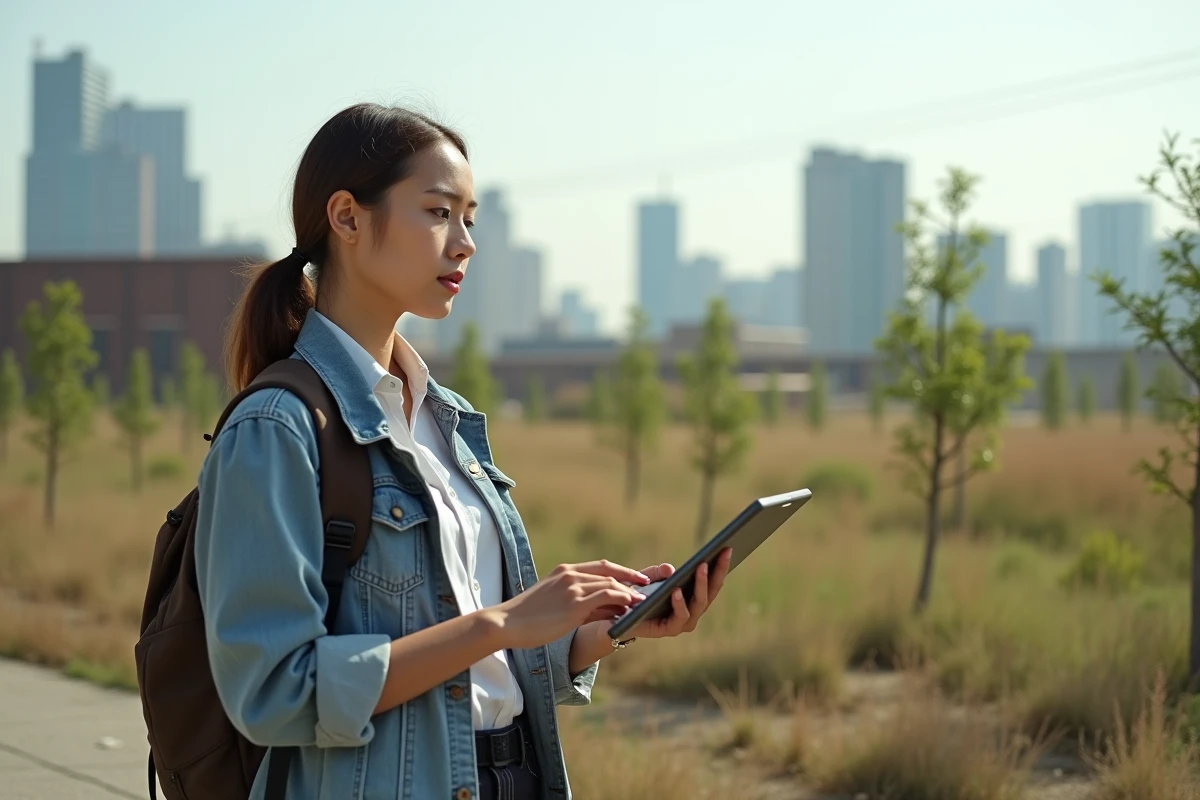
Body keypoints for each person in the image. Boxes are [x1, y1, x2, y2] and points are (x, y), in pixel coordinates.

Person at [195, 102, 733, 800]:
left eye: (470, 218)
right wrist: (499, 623)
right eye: (438, 211)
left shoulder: (446, 420)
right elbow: (274, 691)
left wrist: (602, 631)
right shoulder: (278, 428)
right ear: (348, 217)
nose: (465, 243)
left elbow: (479, 668)